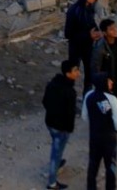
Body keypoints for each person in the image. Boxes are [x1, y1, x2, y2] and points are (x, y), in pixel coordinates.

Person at [43, 60, 80, 190]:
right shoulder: (70, 92)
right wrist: (69, 128)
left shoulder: (52, 84)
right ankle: (52, 183)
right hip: (61, 128)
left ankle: (57, 165)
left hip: (50, 123)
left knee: (56, 149)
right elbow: (70, 114)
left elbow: (45, 102)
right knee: (56, 153)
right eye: (75, 70)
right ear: (68, 73)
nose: (78, 73)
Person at [82, 73, 117, 190]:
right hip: (109, 138)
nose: (111, 83)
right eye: (109, 81)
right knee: (110, 165)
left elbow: (84, 116)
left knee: (93, 163)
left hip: (94, 135)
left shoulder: (89, 95)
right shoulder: (112, 99)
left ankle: (91, 187)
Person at [64, 0, 100, 87]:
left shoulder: (90, 9)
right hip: (76, 48)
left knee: (90, 74)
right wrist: (89, 36)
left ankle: (87, 99)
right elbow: (68, 34)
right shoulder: (73, 11)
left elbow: (91, 24)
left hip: (88, 47)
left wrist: (97, 32)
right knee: (72, 73)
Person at [91, 19, 117, 109]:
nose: (115, 30)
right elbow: (95, 68)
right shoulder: (100, 48)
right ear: (104, 33)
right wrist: (103, 82)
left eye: (115, 27)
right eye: (111, 29)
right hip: (107, 84)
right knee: (106, 108)